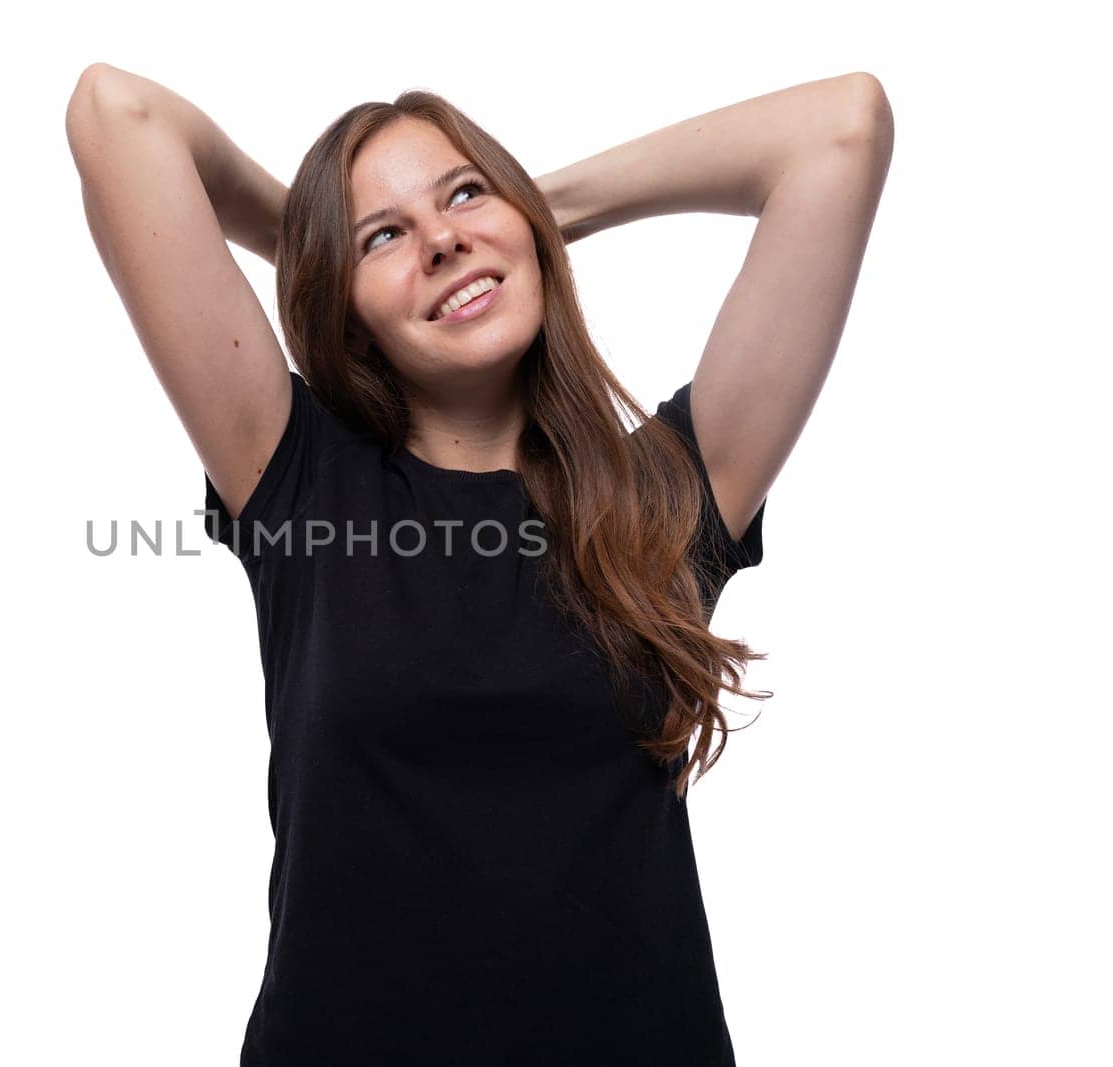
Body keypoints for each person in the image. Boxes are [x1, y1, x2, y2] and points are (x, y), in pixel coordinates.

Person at [66, 63, 893, 1066]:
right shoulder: (293, 476)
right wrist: (319, 249)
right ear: (344, 306)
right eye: (384, 235)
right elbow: (119, 115)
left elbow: (841, 129)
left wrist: (536, 212)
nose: (442, 237)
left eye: (464, 193)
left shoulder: (669, 494)